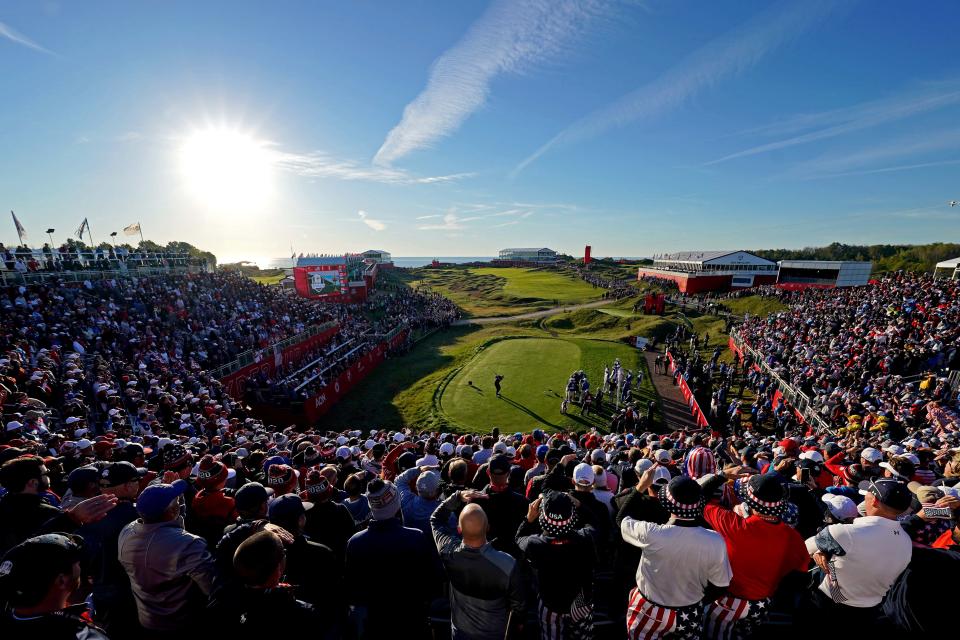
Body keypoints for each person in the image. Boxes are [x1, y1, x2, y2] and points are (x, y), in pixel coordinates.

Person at [619, 472, 732, 640]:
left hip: (649, 610)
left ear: (666, 503)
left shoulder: (651, 533)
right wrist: (695, 602)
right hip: (689, 612)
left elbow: (621, 519)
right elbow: (721, 585)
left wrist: (640, 487)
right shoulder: (715, 540)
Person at [699, 472, 811, 639]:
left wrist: (722, 475)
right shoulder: (793, 537)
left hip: (727, 603)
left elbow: (698, 498)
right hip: (761, 604)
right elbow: (800, 573)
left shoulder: (732, 524)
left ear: (749, 501)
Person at [800, 478, 913, 632]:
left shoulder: (844, 532)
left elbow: (805, 548)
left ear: (874, 501)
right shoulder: (906, 542)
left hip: (830, 602)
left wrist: (822, 551)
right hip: (870, 611)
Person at [344, 479, 443, 639]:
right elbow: (432, 584)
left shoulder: (355, 543)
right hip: (412, 622)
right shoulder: (415, 538)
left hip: (375, 625)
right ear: (396, 503)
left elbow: (353, 591)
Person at [117, 479, 217, 633]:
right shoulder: (189, 544)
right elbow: (212, 587)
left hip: (147, 619)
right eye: (177, 501)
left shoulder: (127, 531)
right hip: (182, 622)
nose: (179, 503)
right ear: (172, 511)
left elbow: (167, 533)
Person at [430, 489, 526, 640]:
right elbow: (519, 605)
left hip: (460, 632)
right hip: (495, 633)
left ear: (459, 530)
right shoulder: (507, 564)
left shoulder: (448, 552)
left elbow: (435, 519)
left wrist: (457, 496)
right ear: (487, 528)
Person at [516, 491, 597, 640]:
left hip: (550, 604)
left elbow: (519, 538)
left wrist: (528, 519)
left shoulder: (535, 544)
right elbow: (594, 522)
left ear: (542, 516)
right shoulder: (585, 538)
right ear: (571, 516)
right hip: (581, 601)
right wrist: (578, 504)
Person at [216, 530, 326, 638]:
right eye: (284, 552)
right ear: (278, 569)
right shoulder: (303, 613)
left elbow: (224, 544)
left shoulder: (224, 599)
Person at [0, 533, 110, 639]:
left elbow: (22, 553)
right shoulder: (85, 636)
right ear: (62, 581)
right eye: (77, 563)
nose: (80, 567)